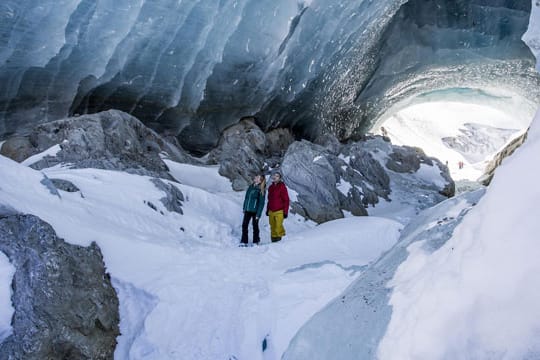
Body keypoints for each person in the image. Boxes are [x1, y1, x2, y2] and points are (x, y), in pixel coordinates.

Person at [240, 174, 266, 246]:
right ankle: (244, 241)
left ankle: (256, 241)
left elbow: (261, 203)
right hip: (247, 210)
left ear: (260, 180)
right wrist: (244, 208)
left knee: (255, 226)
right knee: (244, 225)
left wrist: (258, 214)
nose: (256, 178)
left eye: (258, 177)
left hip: (255, 211)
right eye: (256, 176)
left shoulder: (261, 189)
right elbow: (246, 198)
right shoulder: (251, 187)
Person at [266, 171, 290, 242]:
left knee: (278, 227)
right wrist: (267, 210)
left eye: (277, 176)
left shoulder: (282, 186)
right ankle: (274, 242)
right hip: (271, 211)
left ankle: (280, 242)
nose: (275, 177)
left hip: (279, 210)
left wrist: (285, 212)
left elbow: (286, 200)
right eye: (274, 176)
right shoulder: (271, 187)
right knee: (272, 227)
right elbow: (269, 200)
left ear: (280, 178)